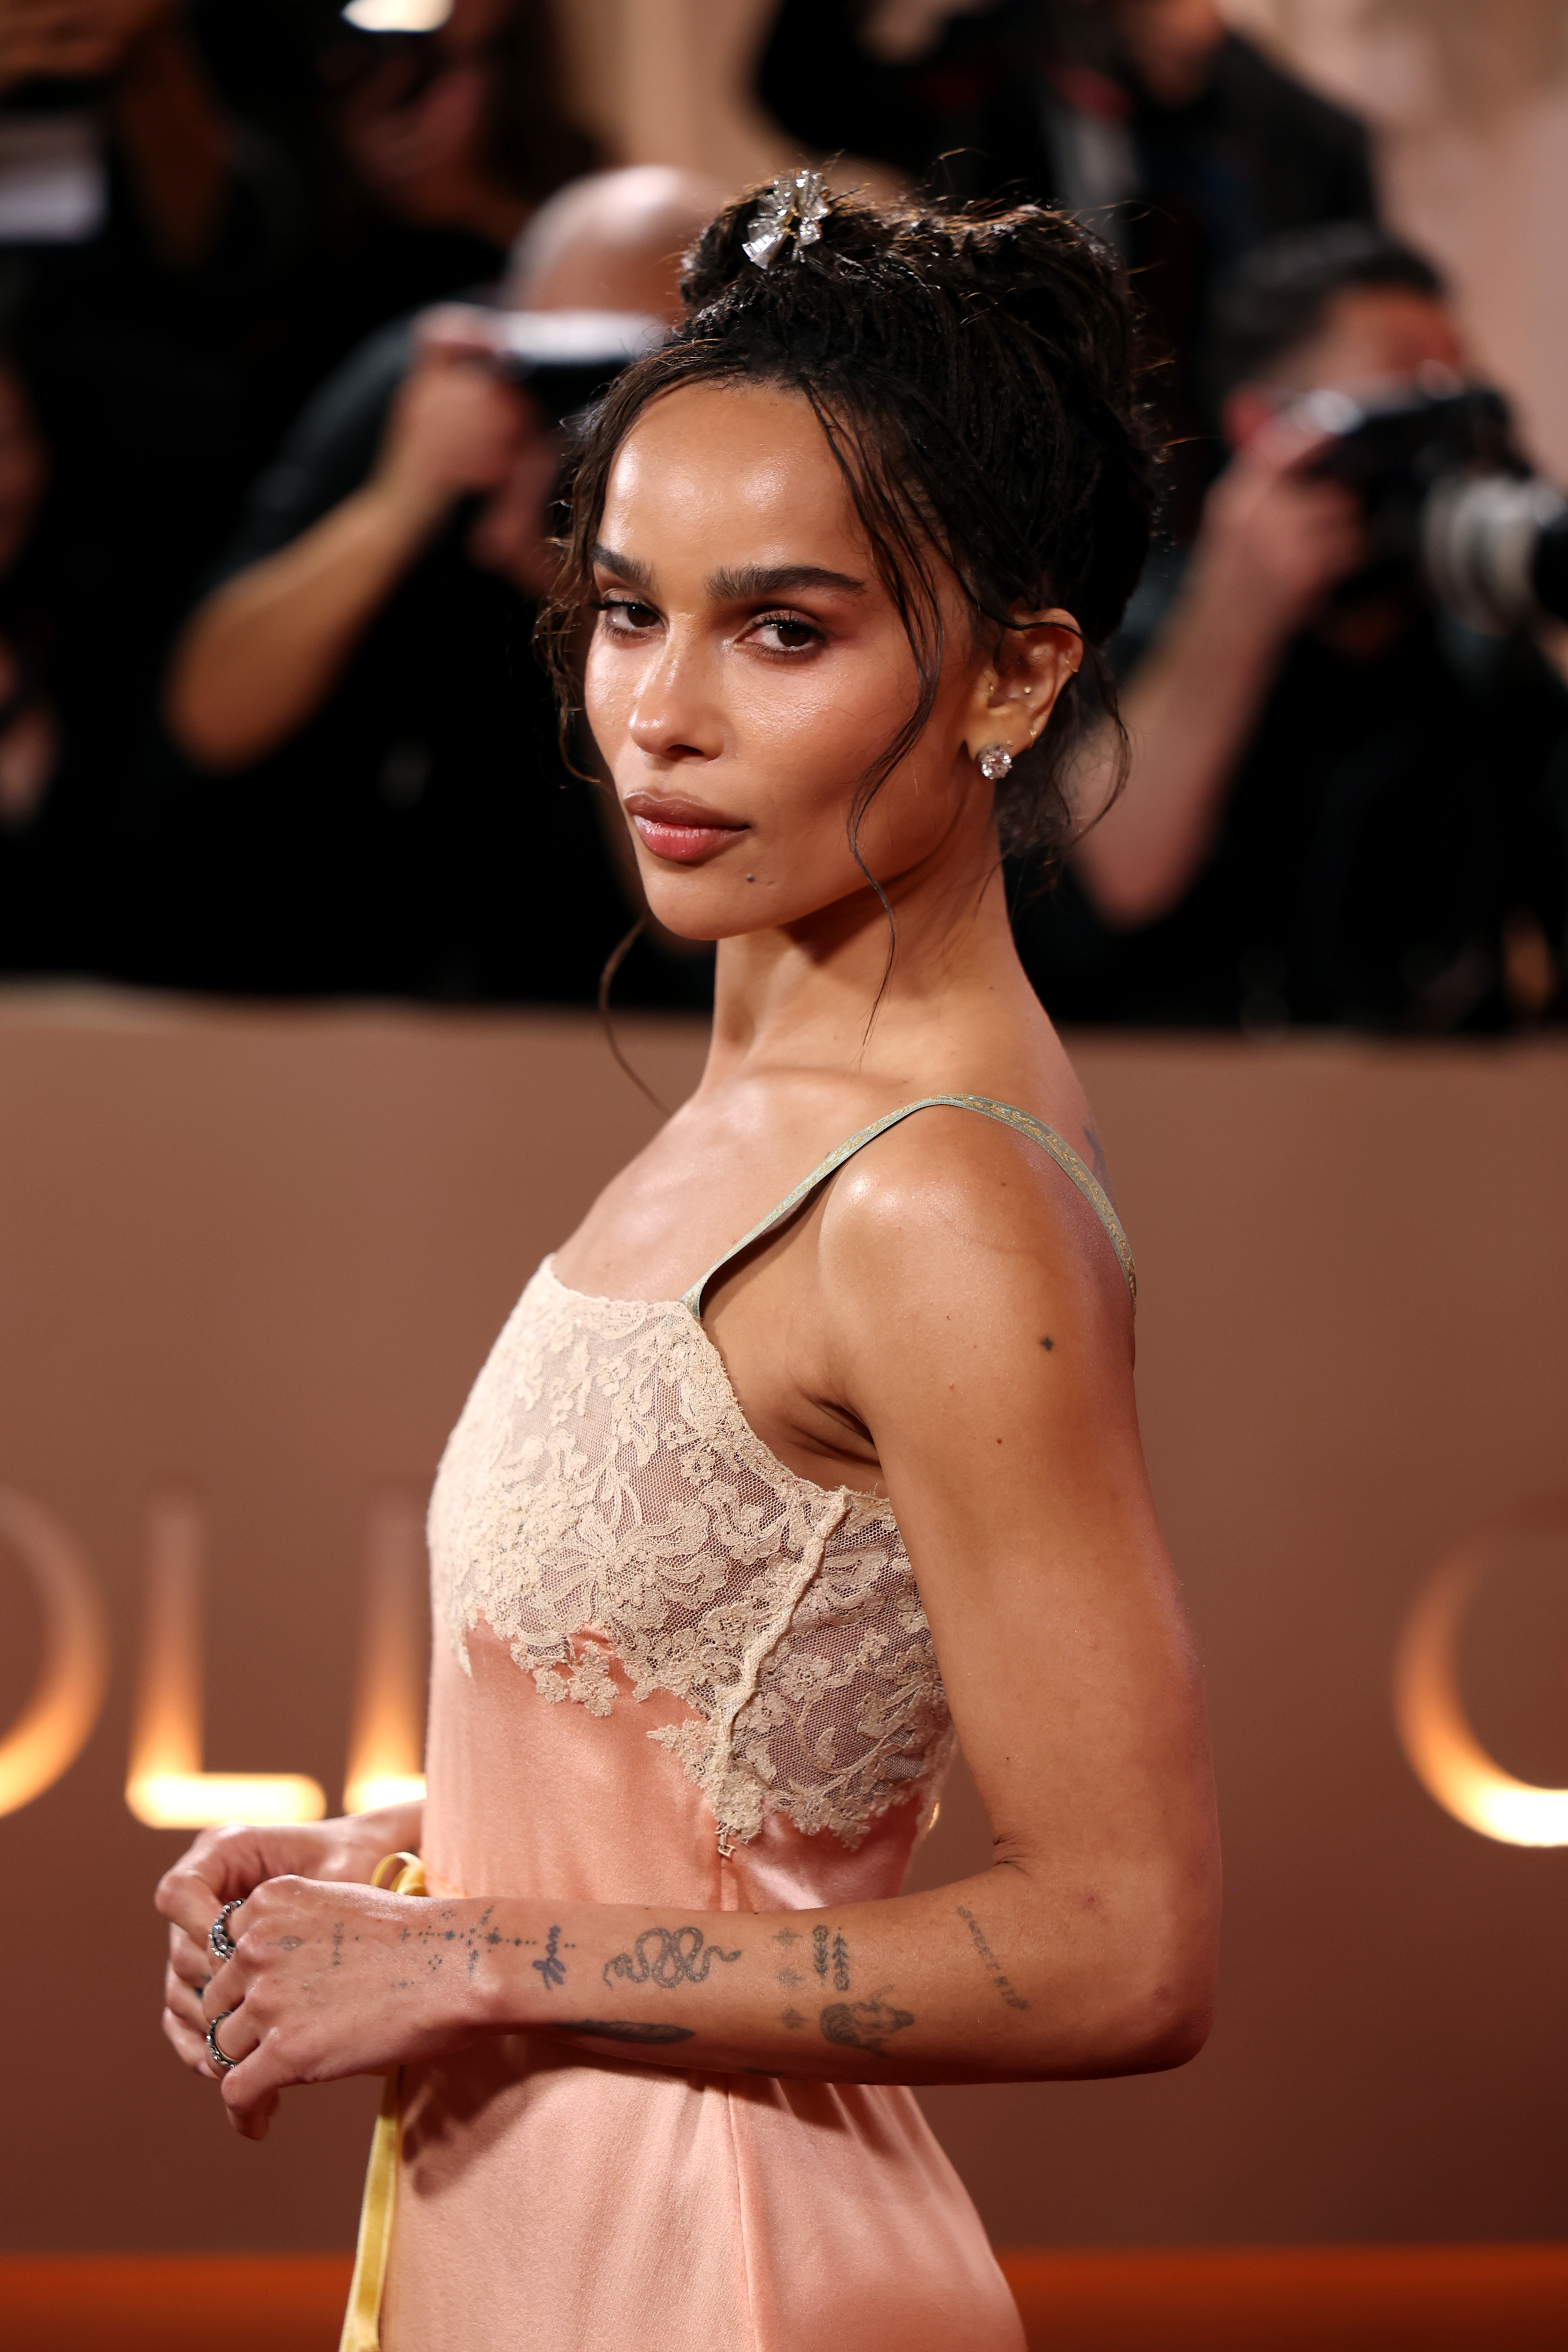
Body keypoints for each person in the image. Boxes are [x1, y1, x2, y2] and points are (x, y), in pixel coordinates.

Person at [154, 183, 1221, 2350]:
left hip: (717, 2278)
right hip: (528, 2242)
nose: (659, 711)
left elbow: (1131, 1940)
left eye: (789, 631)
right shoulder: (763, 1102)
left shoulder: (939, 1198)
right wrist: (409, 1873)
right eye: (631, 609)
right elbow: (723, 1793)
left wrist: (483, 1960)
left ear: (1015, 670)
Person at [150, 167, 723, 1002]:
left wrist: (601, 613)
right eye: (560, 361)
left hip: (626, 1017)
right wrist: (401, 497)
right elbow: (207, 719)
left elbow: (686, 924)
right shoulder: (436, 383)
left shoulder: (756, 477)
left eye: (632, 376)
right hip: (368, 979)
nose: (585, 416)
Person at [1039, 225, 1568, 1029]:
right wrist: (1234, 616)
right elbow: (1108, 891)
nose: (1443, 426)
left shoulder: (1482, 666)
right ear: (1268, 431)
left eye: (1455, 384)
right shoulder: (1115, 629)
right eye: (1404, 386)